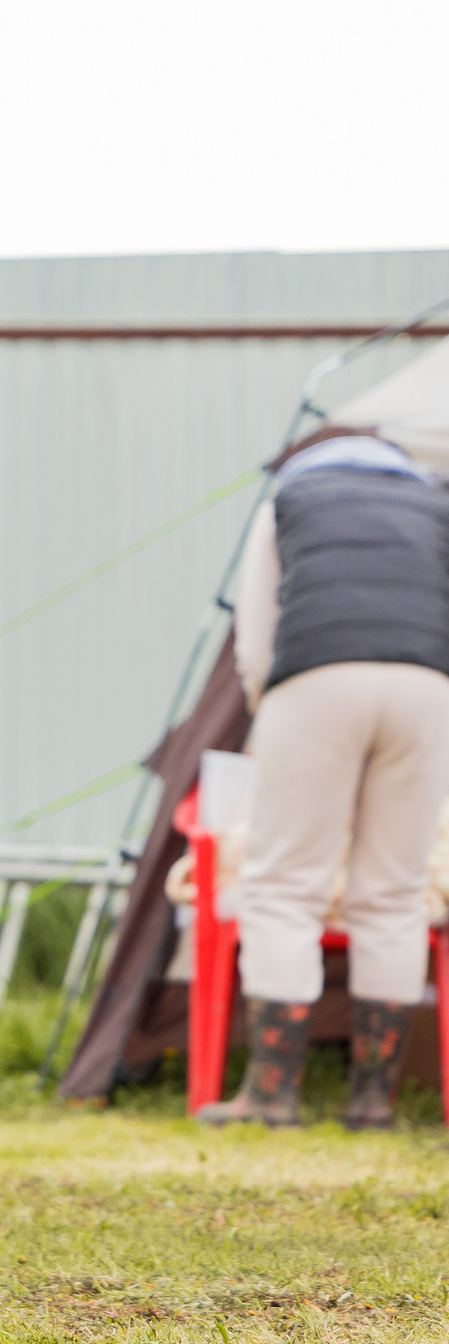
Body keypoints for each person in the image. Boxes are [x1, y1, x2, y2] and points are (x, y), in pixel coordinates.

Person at [200, 426, 449, 1130]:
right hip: (429, 688)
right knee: (395, 894)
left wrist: (267, 710)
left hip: (316, 681)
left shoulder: (292, 494)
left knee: (283, 887)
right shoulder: (433, 500)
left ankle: (272, 1096)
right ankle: (372, 1102)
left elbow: (255, 634)